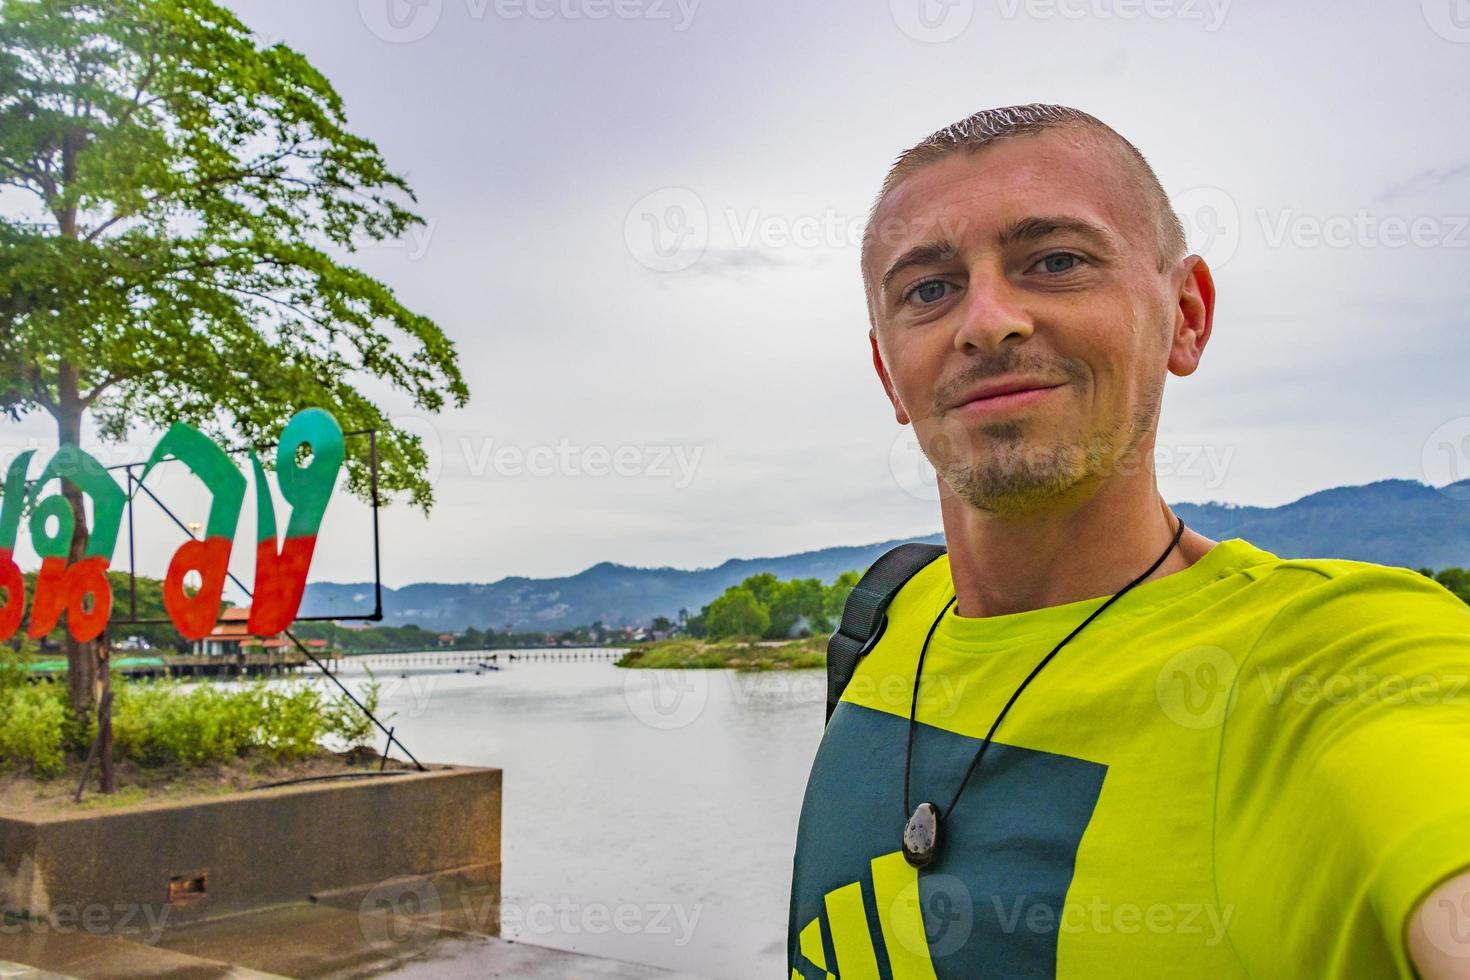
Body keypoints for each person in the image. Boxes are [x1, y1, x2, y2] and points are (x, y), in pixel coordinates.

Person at [787, 103, 1470, 979]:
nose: (987, 321)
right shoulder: (884, 616)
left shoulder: (1331, 661)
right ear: (889, 370)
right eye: (929, 288)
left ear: (1186, 315)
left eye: (1057, 262)